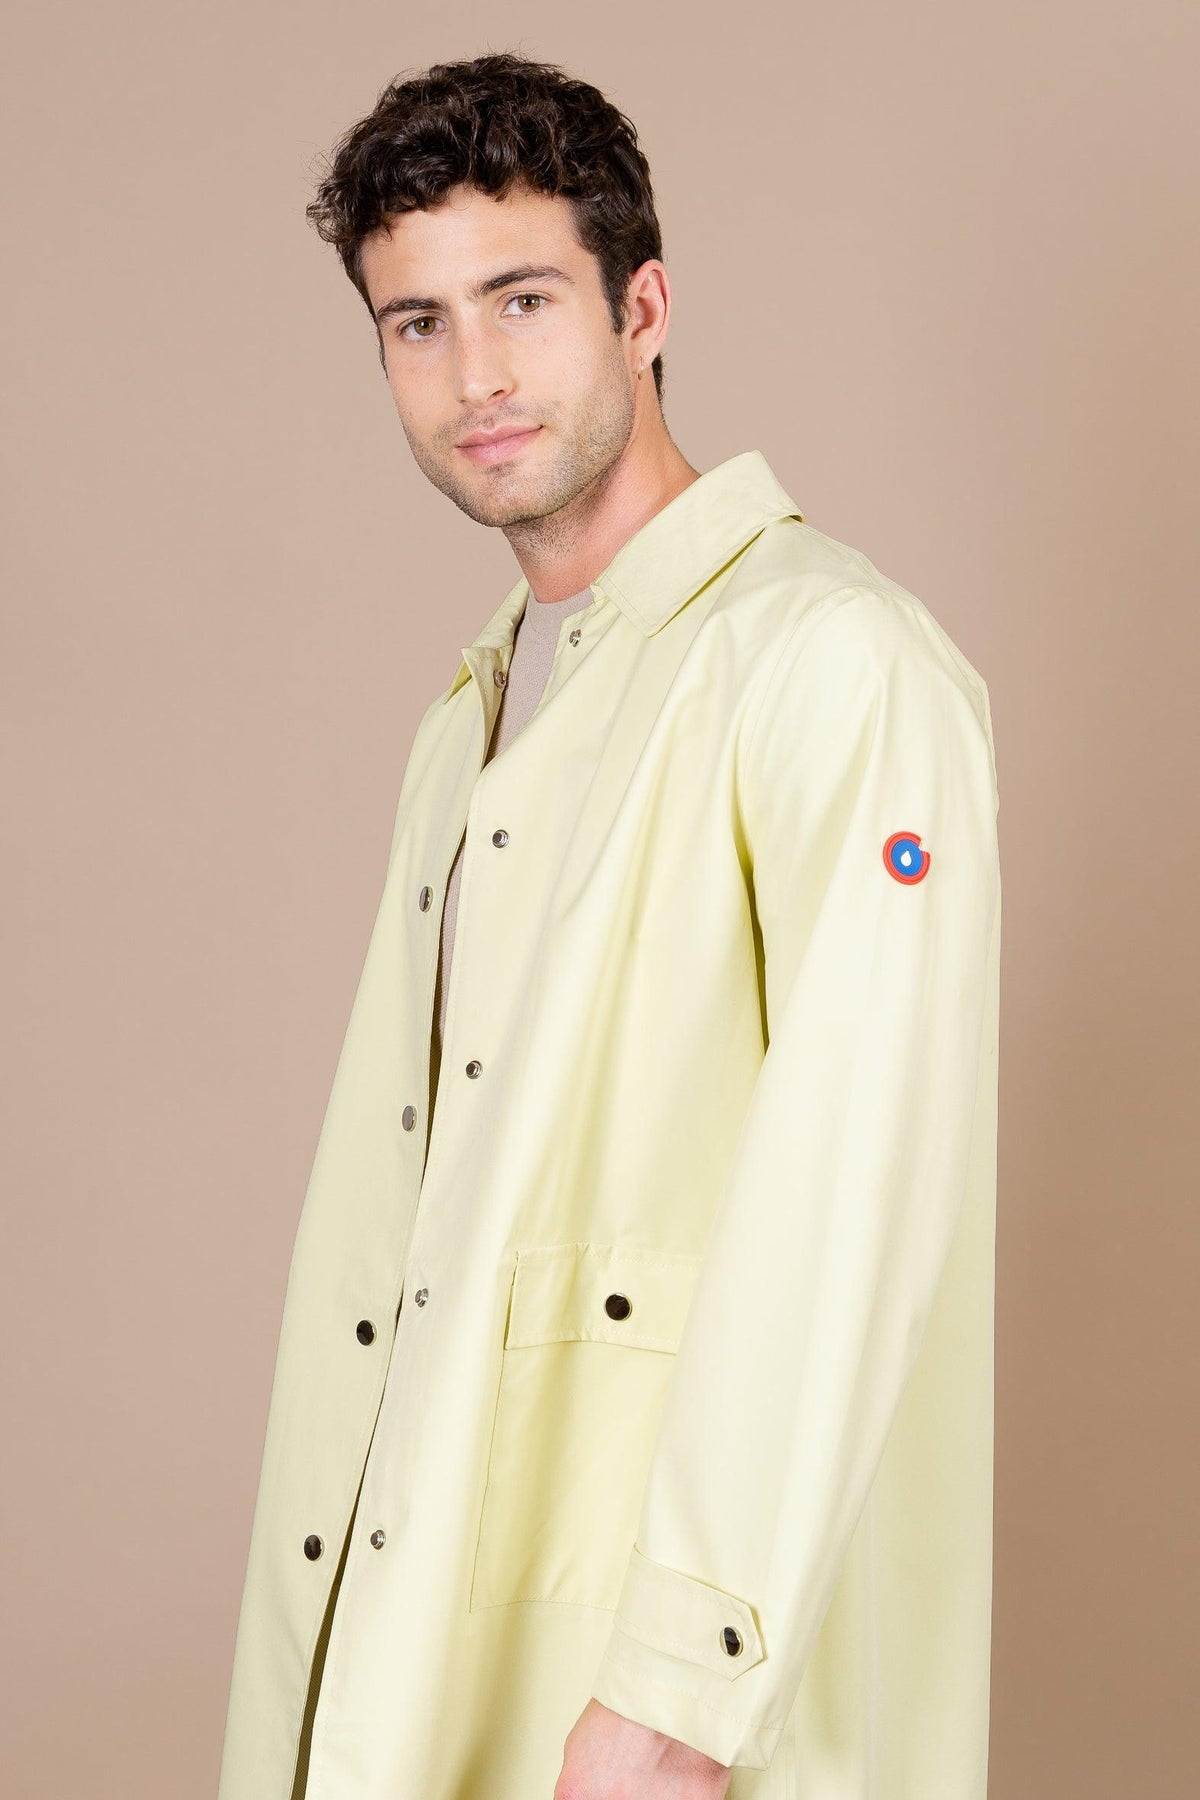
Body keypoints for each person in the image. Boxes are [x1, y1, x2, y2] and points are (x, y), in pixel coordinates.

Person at [217, 49, 1002, 1800]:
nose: (475, 376)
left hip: (662, 1710)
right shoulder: (474, 714)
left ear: (642, 307)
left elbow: (850, 1198)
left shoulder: (831, 666)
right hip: (437, 1639)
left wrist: (674, 1694)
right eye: (416, 324)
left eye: (522, 300)